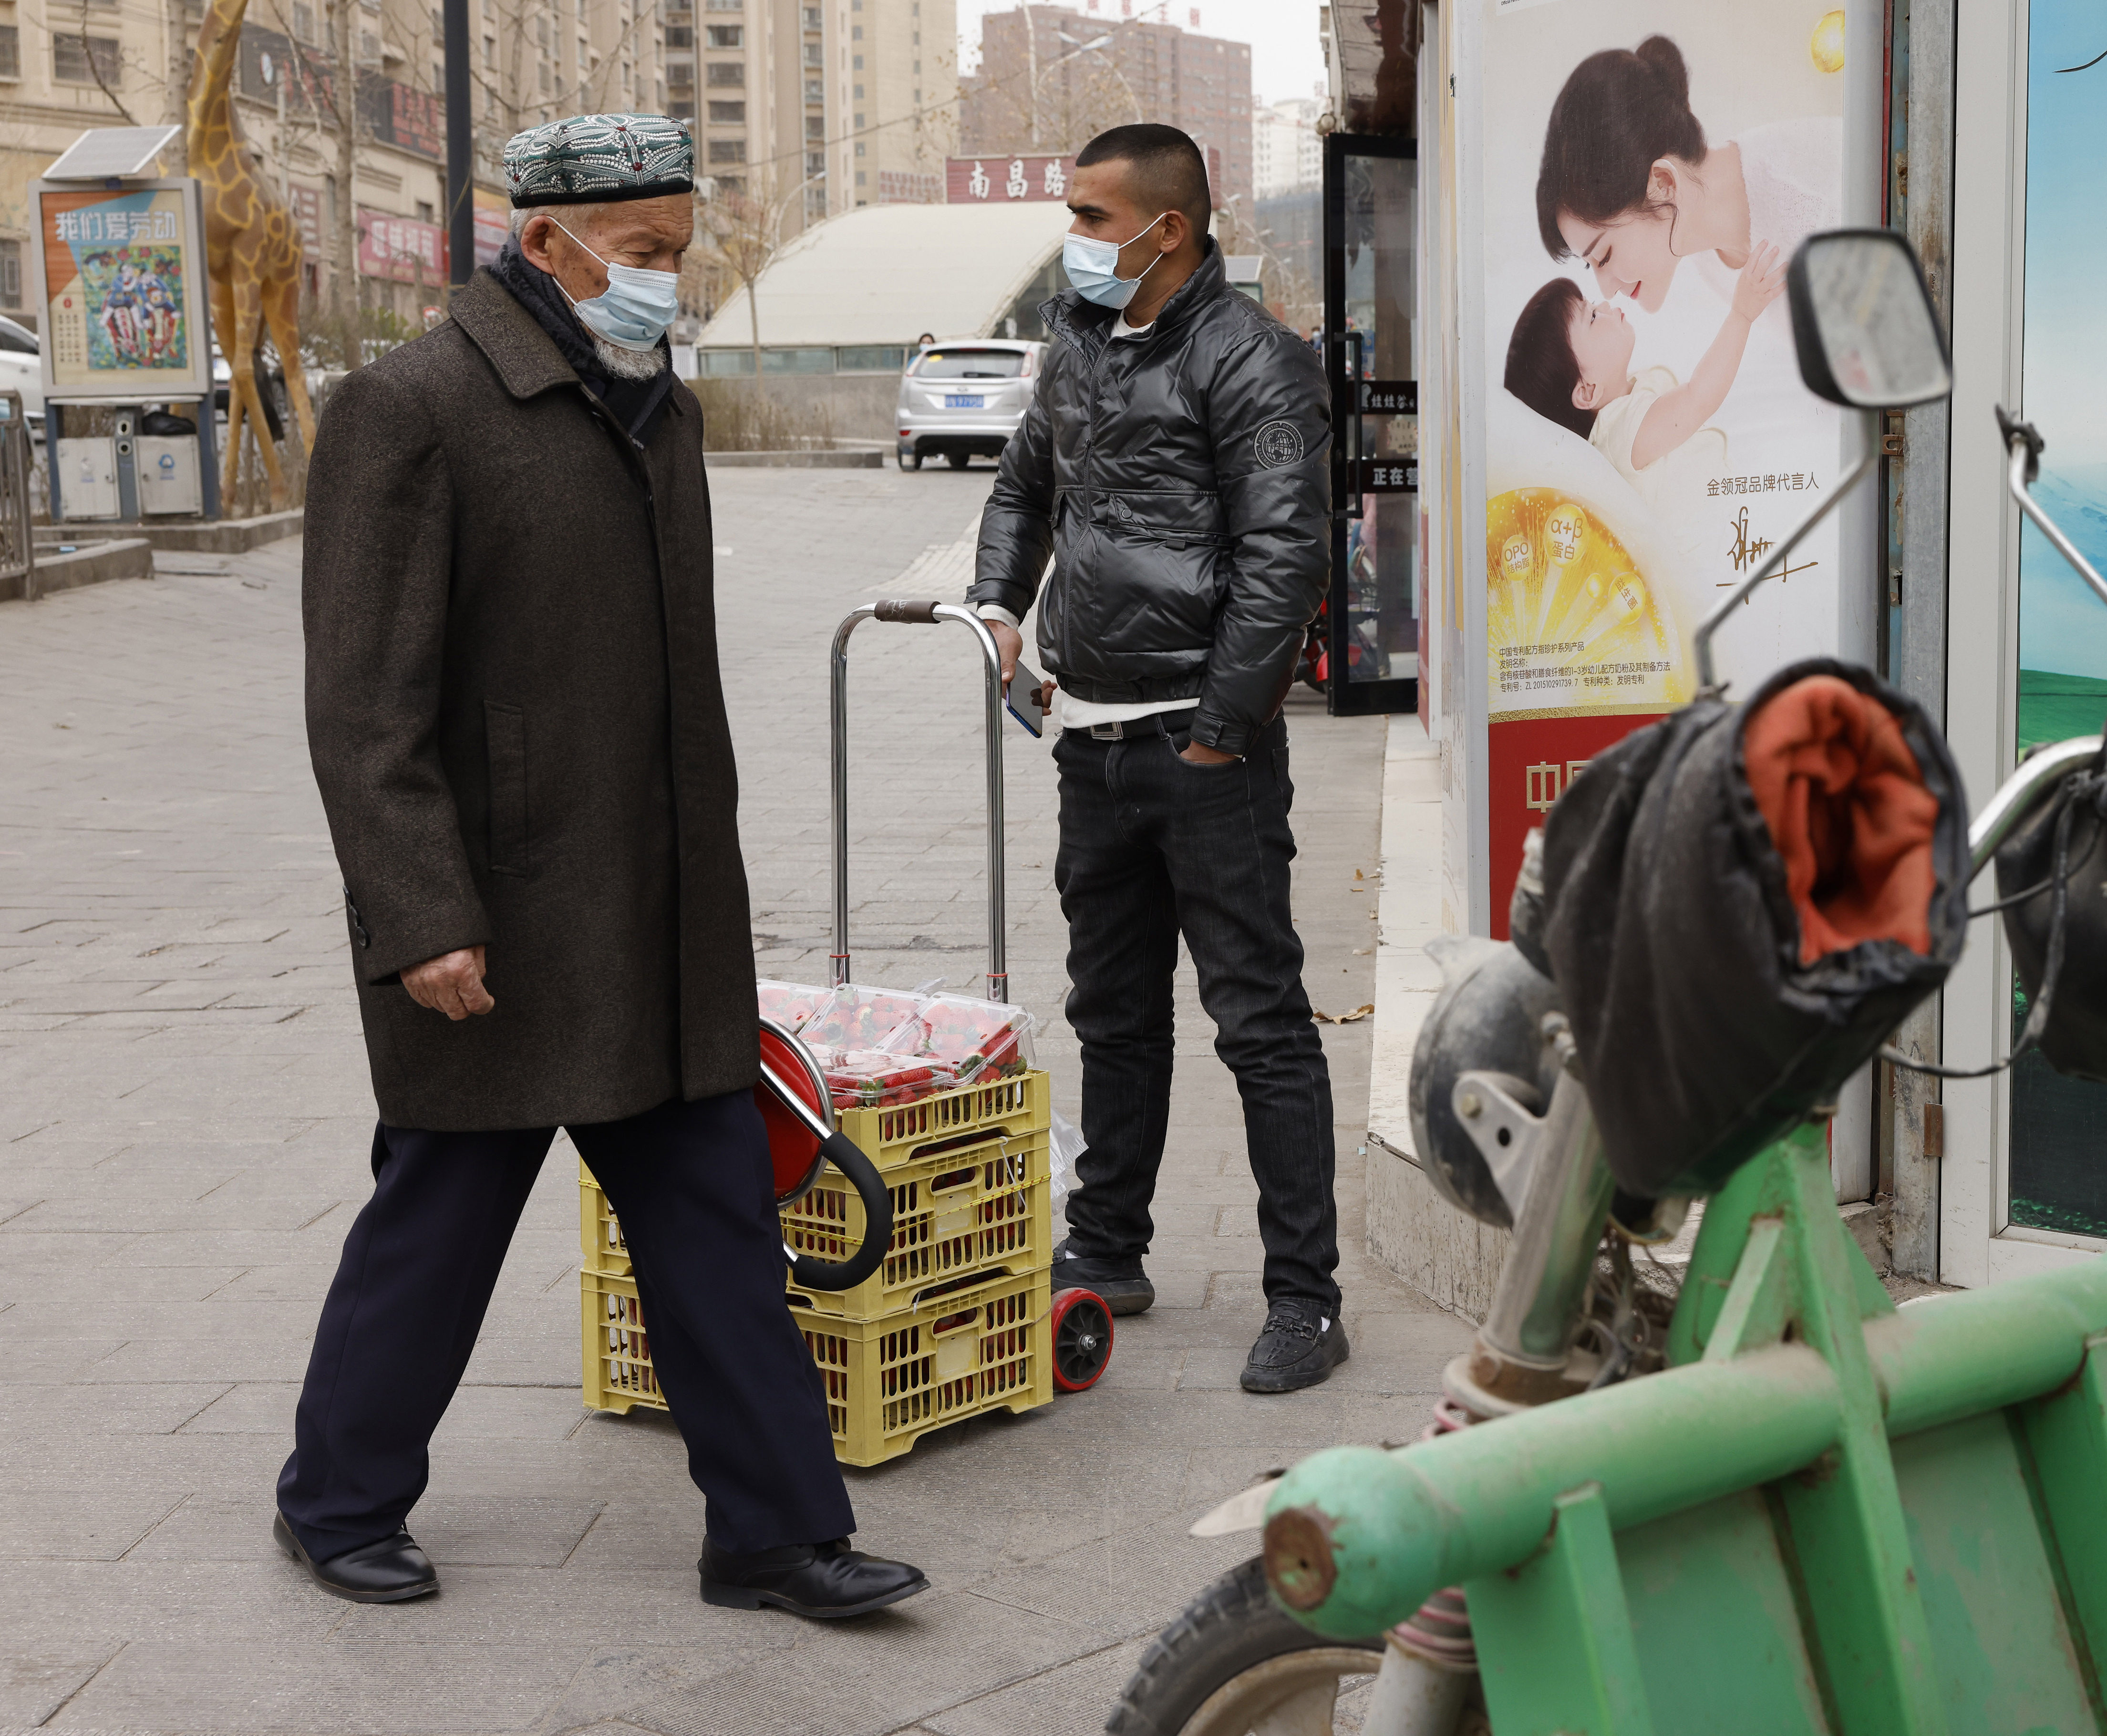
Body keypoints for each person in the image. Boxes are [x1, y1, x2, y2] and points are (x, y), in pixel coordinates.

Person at [285, 112, 927, 1616]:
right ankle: (335, 1498)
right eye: (641, 258)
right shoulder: (413, 408)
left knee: (714, 1224)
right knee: (434, 1231)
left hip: (659, 916)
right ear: (546, 244)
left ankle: (775, 1532)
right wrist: (421, 914)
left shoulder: (654, 409)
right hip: (493, 927)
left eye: (676, 258)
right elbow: (363, 703)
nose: (663, 286)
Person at [965, 124, 1345, 1393]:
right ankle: (1108, 1246)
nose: (1072, 237)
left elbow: (1286, 559)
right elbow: (1026, 488)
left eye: (1088, 214)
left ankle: (1306, 1297)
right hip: (1091, 740)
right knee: (1114, 1017)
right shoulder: (1074, 345)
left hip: (1205, 751)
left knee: (1261, 1024)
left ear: (1165, 230)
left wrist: (1221, 733)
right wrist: (997, 606)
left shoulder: (1255, 361)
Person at [1536, 33, 1835, 321]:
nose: (1608, 292)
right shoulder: (1704, 252)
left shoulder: (1818, 198)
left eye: (1604, 257)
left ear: (1664, 182)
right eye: (1592, 267)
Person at [1501, 250, 1785, 486]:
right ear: (1587, 391)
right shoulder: (1622, 437)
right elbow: (1699, 397)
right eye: (1592, 317)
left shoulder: (1627, 401)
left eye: (1592, 304)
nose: (1604, 304)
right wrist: (1742, 314)